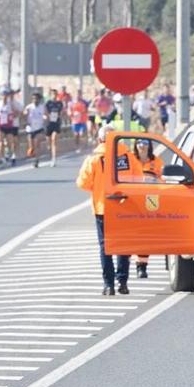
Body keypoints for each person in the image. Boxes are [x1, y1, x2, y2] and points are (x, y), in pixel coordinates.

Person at [76, 126, 132, 296]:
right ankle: (122, 281)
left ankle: (109, 285)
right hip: (125, 205)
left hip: (103, 207)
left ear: (99, 140)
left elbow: (82, 183)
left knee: (105, 246)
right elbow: (138, 177)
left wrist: (98, 186)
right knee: (123, 244)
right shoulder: (127, 157)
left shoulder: (93, 159)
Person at [126, 136, 163, 280]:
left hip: (150, 201)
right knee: (131, 235)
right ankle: (127, 264)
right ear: (135, 145)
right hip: (132, 200)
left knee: (145, 234)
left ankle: (142, 266)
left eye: (145, 143)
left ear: (149, 145)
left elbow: (164, 179)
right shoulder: (130, 160)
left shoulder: (156, 162)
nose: (142, 146)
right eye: (140, 143)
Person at [0, 91, 20, 167]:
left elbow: (17, 112)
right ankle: (2, 159)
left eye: (5, 96)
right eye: (3, 95)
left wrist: (12, 117)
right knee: (0, 142)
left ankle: (8, 155)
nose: (4, 97)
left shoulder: (10, 104)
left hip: (8, 126)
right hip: (0, 125)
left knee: (9, 143)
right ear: (1, 96)